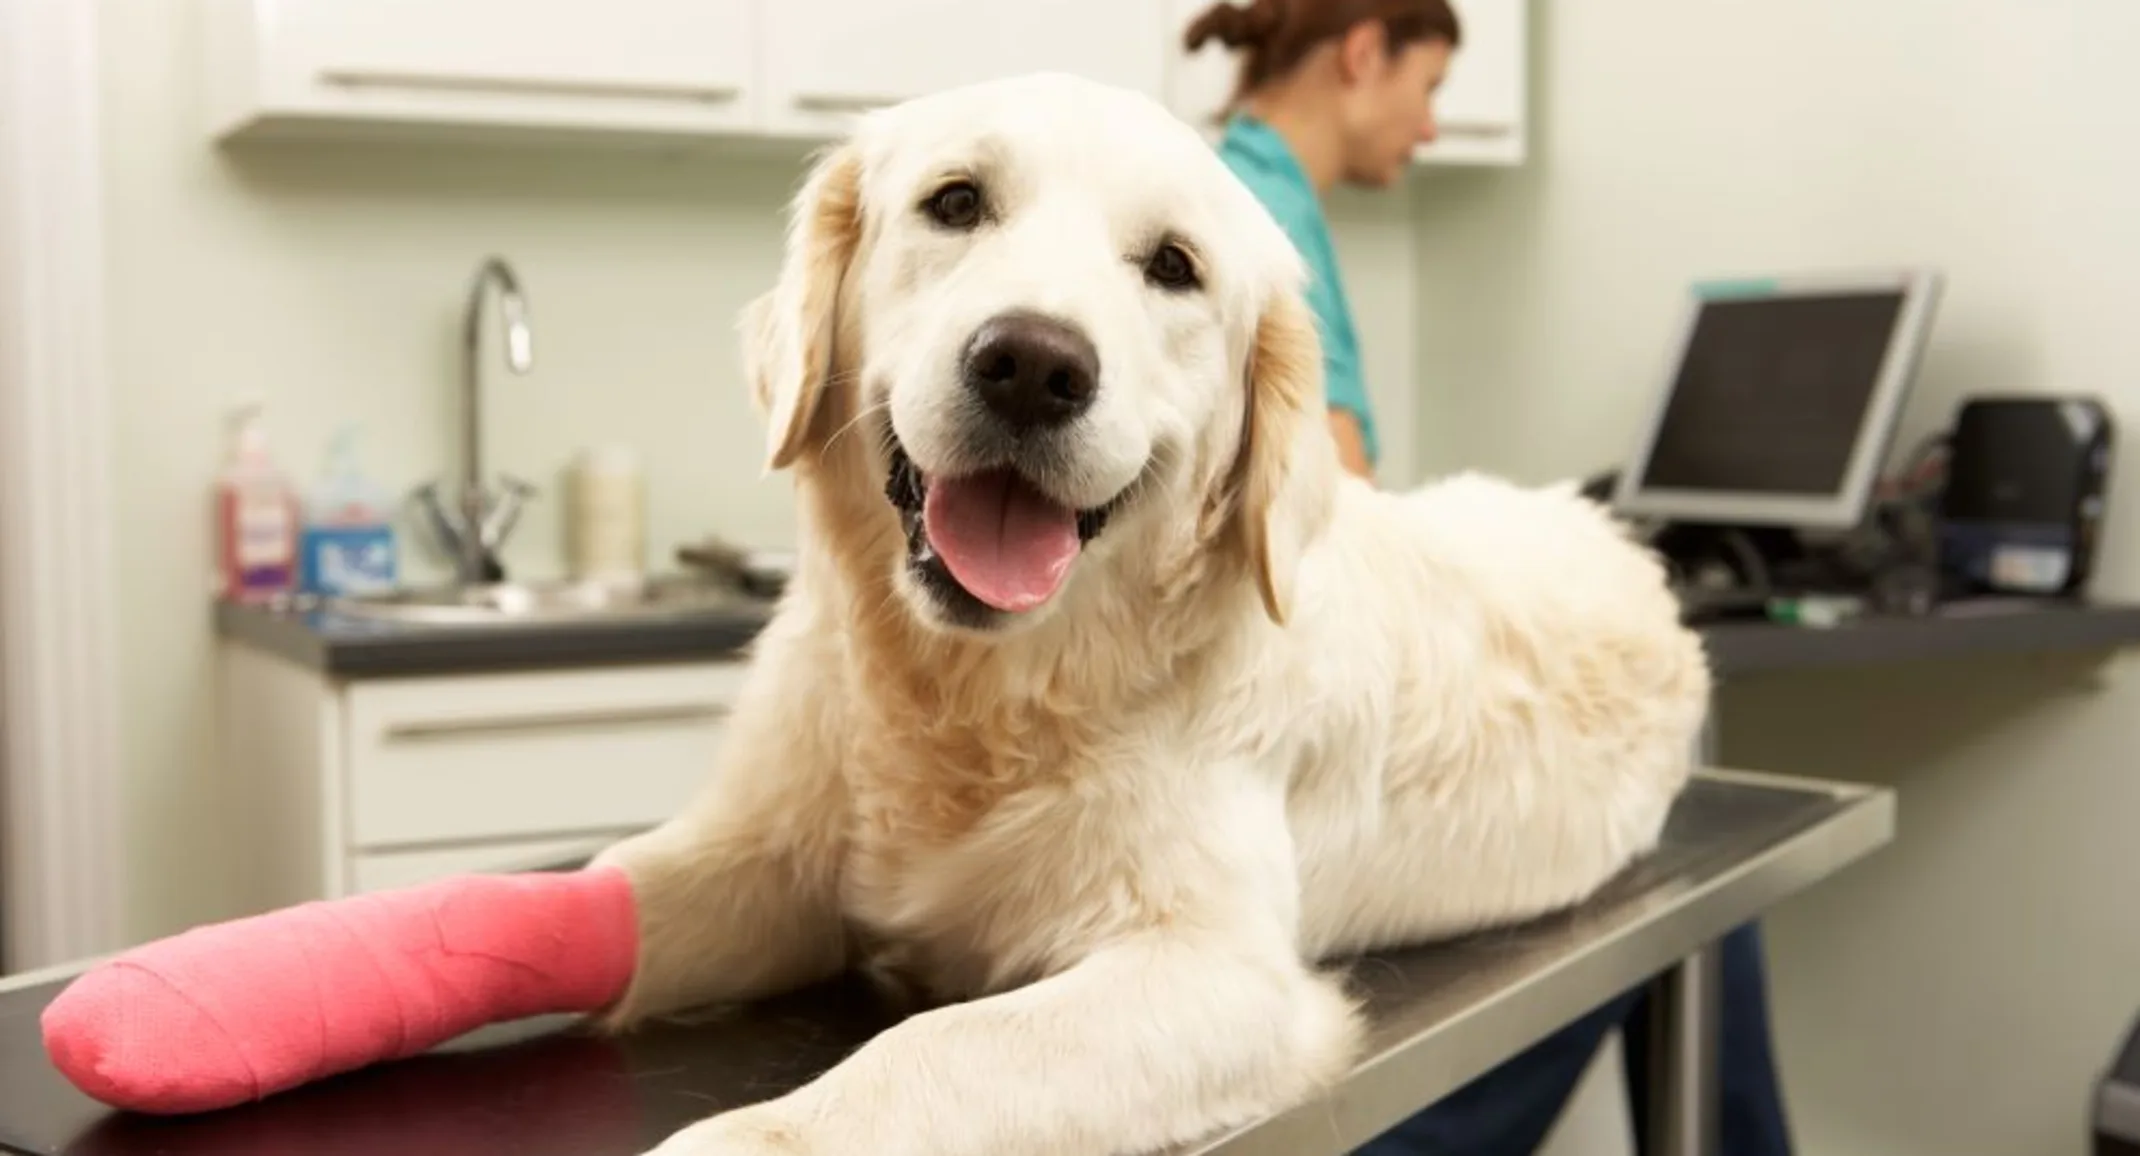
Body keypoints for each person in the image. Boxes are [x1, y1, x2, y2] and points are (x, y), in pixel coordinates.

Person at [1182, 2, 1796, 1154]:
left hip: (1270, 733)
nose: (1427, 126)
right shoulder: (1250, 221)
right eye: (1428, 86)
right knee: (1677, 883)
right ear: (1364, 52)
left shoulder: (1241, 197)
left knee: (1681, 872)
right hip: (1256, 764)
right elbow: (1331, 526)